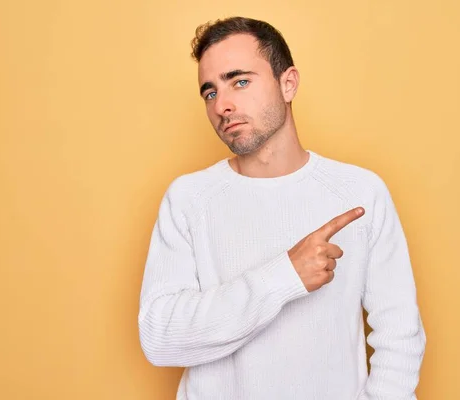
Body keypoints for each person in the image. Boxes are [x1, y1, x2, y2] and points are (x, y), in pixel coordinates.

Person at [138, 16, 426, 400]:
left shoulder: (360, 192)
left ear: (287, 83)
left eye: (239, 81)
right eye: (210, 92)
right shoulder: (189, 199)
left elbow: (399, 337)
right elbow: (160, 339)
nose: (222, 104)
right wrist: (284, 276)